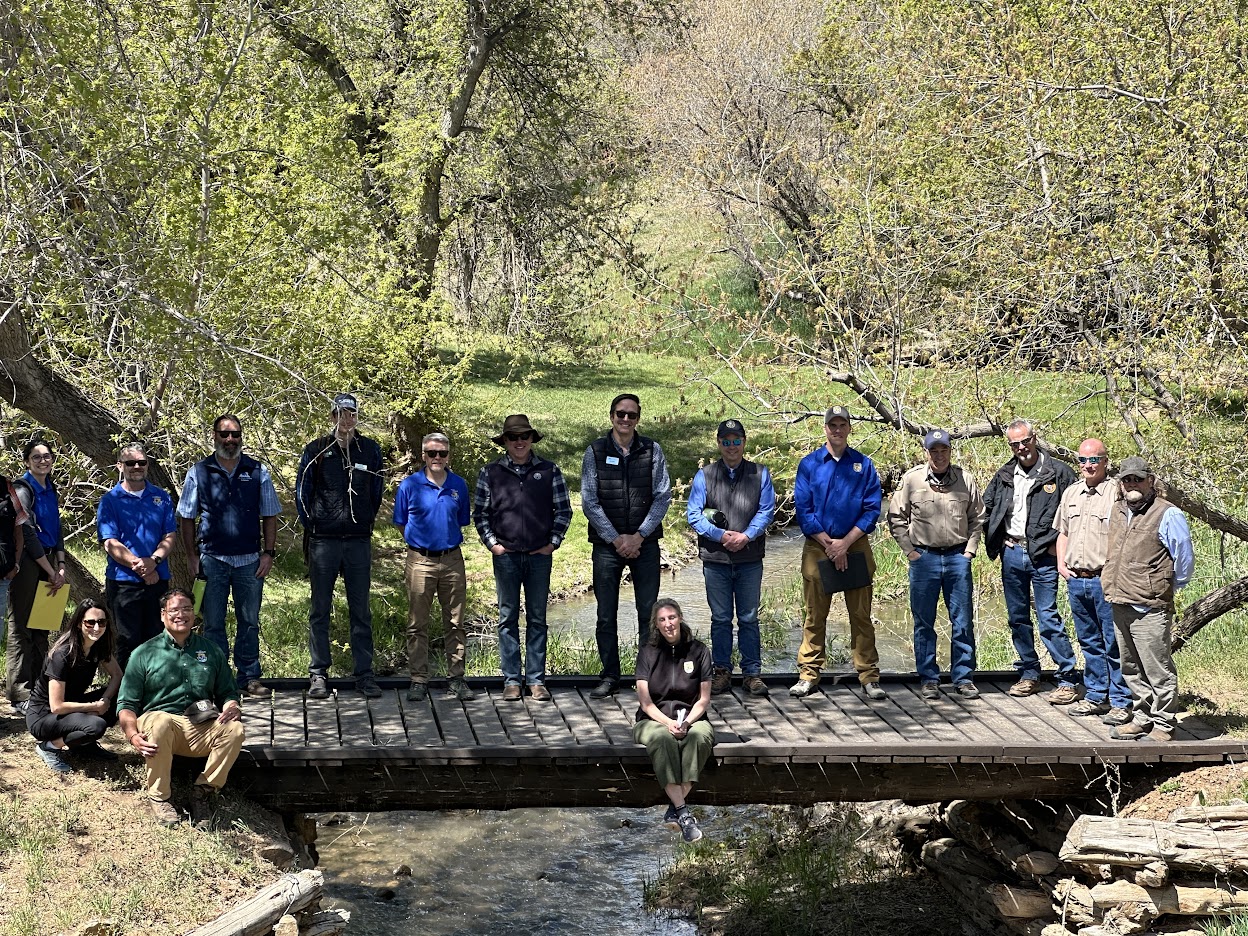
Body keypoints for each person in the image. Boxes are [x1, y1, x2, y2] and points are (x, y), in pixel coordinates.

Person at [117, 588, 245, 827]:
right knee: (162, 721)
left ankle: (202, 792)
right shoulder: (143, 653)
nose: (181, 615)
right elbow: (126, 703)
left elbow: (227, 692)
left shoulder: (211, 650)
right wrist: (132, 735)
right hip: (159, 724)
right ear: (163, 615)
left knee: (235, 730)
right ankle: (160, 798)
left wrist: (232, 706)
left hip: (199, 724)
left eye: (187, 609)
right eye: (174, 610)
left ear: (194, 614)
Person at [177, 414, 281, 698]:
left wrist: (268, 553)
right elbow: (186, 517)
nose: (230, 439)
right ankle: (218, 680)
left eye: (235, 434)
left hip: (250, 560)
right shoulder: (199, 472)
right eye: (224, 434)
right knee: (213, 623)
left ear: (241, 436)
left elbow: (270, 514)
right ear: (214, 436)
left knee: (250, 621)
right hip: (212, 559)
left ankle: (249, 677)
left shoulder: (257, 470)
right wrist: (191, 556)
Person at [473, 415, 572, 702]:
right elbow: (480, 514)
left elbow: (564, 510)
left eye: (524, 437)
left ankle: (536, 680)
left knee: (538, 618)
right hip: (506, 557)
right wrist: (493, 545)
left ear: (531, 439)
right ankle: (512, 680)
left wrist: (552, 543)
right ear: (504, 441)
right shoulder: (490, 472)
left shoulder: (549, 470)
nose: (519, 442)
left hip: (539, 556)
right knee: (507, 618)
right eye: (513, 437)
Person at [581, 393, 672, 699]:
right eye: (620, 413)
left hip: (645, 545)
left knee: (649, 613)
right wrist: (616, 538)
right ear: (612, 416)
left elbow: (662, 496)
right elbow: (589, 501)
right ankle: (610, 676)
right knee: (606, 615)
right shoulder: (595, 451)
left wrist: (639, 535)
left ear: (638, 419)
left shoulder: (652, 450)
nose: (625, 419)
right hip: (607, 546)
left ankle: (646, 677)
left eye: (631, 415)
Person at [982, 419, 1080, 701]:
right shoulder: (1005, 474)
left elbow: (1076, 514)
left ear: (1035, 438)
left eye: (1025, 441)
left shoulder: (1059, 473)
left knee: (1048, 617)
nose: (1022, 447)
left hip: (1044, 557)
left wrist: (1058, 547)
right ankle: (1029, 674)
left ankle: (1067, 679)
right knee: (1018, 618)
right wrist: (998, 540)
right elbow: (986, 510)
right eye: (1015, 444)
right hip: (1012, 553)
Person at [295, 393, 385, 699]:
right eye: (341, 413)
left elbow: (376, 492)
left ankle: (365, 674)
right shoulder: (317, 449)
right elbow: (302, 492)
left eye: (352, 413)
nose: (347, 419)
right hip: (324, 541)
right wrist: (314, 525)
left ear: (357, 416)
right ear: (332, 416)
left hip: (358, 541)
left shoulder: (370, 450)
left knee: (361, 611)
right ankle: (318, 673)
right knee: (320, 609)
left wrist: (364, 520)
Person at [792, 406, 884, 699]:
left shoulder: (863, 465)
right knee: (814, 616)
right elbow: (803, 510)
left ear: (849, 428)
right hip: (818, 546)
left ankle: (869, 676)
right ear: (825, 429)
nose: (837, 430)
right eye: (832, 425)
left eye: (842, 425)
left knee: (861, 616)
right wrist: (830, 544)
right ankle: (808, 674)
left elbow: (872, 509)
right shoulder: (809, 464)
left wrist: (845, 543)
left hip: (854, 545)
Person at [1101, 457, 1194, 742]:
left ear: (1150, 481)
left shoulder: (1168, 513)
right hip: (1120, 600)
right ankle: (1142, 718)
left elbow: (1184, 557)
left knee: (1157, 668)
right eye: (1127, 479)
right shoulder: (1117, 509)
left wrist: (1167, 586)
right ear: (1121, 483)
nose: (1132, 484)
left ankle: (1164, 723)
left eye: (1138, 479)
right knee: (1130, 668)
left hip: (1150, 605)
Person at [887, 429, 985, 700]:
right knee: (924, 622)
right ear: (927, 452)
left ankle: (963, 678)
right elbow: (896, 517)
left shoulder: (965, 479)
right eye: (934, 451)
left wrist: (970, 551)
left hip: (957, 558)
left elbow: (978, 517)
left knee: (962, 621)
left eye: (944, 450)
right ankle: (929, 678)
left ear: (950, 451)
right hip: (924, 558)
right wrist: (910, 551)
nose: (939, 456)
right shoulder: (912, 480)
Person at [685, 418, 776, 697]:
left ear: (744, 442)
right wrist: (720, 535)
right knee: (721, 618)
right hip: (716, 560)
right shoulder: (705, 475)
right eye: (726, 441)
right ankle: (721, 671)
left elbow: (766, 511)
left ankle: (752, 674)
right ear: (719, 443)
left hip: (749, 558)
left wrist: (746, 536)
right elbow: (694, 515)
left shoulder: (760, 473)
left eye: (736, 441)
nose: (732, 446)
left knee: (749, 618)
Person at [1054, 439, 1133, 724]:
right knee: (1089, 642)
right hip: (1077, 580)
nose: (1088, 465)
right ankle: (1096, 695)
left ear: (1105, 462)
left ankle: (1121, 701)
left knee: (1114, 643)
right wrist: (1061, 565)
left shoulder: (1117, 492)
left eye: (1094, 460)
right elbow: (1062, 532)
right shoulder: (1072, 492)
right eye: (1083, 460)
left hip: (1105, 580)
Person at [394, 432, 473, 702]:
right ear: (423, 455)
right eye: (431, 453)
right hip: (420, 560)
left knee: (455, 622)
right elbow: (401, 522)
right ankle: (418, 679)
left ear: (449, 455)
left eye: (442, 453)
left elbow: (461, 519)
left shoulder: (458, 485)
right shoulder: (409, 486)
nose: (437, 457)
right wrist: (419, 542)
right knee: (417, 623)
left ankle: (457, 678)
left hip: (452, 559)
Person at [632, 598, 714, 844]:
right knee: (662, 739)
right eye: (662, 620)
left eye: (672, 617)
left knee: (700, 738)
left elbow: (703, 700)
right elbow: (646, 703)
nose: (668, 624)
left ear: (680, 618)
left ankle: (674, 807)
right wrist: (668, 723)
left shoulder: (699, 651)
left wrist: (687, 723)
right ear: (656, 624)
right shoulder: (647, 652)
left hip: (692, 717)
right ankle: (684, 814)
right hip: (652, 719)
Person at [97, 442, 177, 671]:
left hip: (157, 581)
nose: (136, 467)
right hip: (123, 583)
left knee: (157, 639)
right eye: (130, 463)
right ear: (120, 465)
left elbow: (169, 535)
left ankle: (155, 688)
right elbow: (110, 542)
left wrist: (154, 561)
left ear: (147, 465)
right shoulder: (110, 500)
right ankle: (127, 691)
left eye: (141, 462)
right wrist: (142, 567)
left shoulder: (161, 497)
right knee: (128, 641)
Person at [27, 599, 122, 773]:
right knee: (96, 725)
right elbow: (56, 706)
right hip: (45, 716)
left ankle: (83, 744)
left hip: (72, 707)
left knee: (122, 693)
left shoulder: (98, 646)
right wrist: (93, 707)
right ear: (79, 623)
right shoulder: (62, 654)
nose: (96, 628)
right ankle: (49, 746)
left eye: (101, 622)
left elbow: (117, 675)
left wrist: (106, 700)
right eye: (90, 622)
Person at [8, 440, 66, 713]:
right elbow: (28, 533)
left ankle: (39, 688)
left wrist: (61, 564)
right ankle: (20, 693)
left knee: (42, 625)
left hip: (50, 560)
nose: (43, 461)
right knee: (21, 626)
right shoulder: (23, 488)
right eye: (36, 457)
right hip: (28, 562)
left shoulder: (51, 488)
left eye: (47, 456)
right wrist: (51, 570)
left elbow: (57, 528)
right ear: (27, 461)